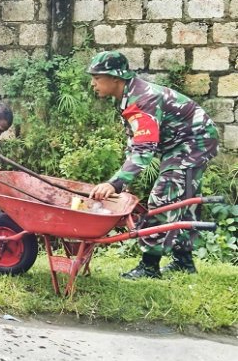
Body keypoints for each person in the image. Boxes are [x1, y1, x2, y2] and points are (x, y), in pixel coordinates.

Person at [87, 51, 219, 279]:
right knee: (186, 200)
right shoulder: (128, 97)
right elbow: (136, 142)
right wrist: (125, 180)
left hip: (195, 141)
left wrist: (115, 183)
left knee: (162, 197)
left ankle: (149, 266)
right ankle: (184, 262)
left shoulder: (143, 99)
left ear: (115, 78)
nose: (93, 83)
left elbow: (144, 150)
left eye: (97, 77)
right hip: (179, 143)